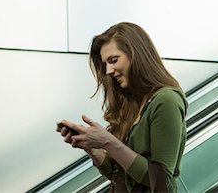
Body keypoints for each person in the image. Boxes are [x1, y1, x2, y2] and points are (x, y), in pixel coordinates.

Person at [56, 22, 188, 192]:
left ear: (137, 55)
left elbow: (161, 182)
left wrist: (108, 142)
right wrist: (93, 150)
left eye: (113, 60)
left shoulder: (166, 100)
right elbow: (126, 178)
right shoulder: (133, 103)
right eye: (105, 64)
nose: (108, 71)